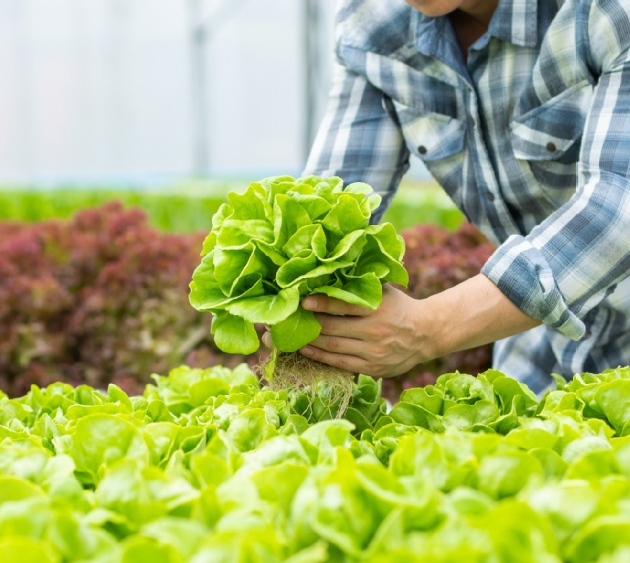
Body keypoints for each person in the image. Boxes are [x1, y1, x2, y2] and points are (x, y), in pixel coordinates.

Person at [268, 0, 630, 395]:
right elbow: (330, 205)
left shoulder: (605, 11)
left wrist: (430, 326)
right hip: (542, 359)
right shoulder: (373, 26)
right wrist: (287, 299)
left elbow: (616, 209)